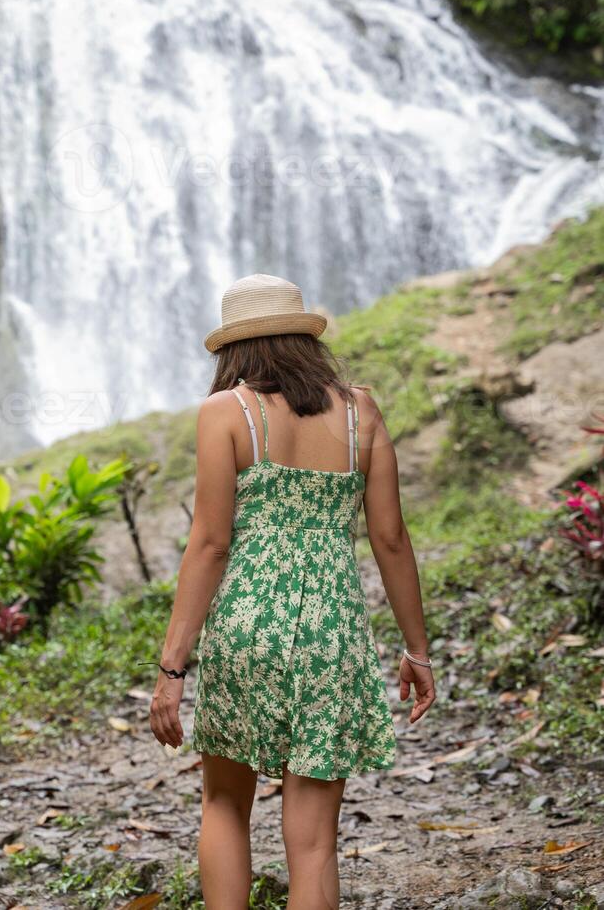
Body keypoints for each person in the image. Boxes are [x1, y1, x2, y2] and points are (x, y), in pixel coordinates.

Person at [147, 273, 435, 910]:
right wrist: (418, 651)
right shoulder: (362, 411)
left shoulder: (227, 412)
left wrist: (172, 666)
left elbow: (210, 543)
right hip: (332, 632)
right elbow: (390, 539)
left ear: (233, 351)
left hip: (247, 629)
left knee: (224, 802)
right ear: (306, 340)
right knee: (314, 843)